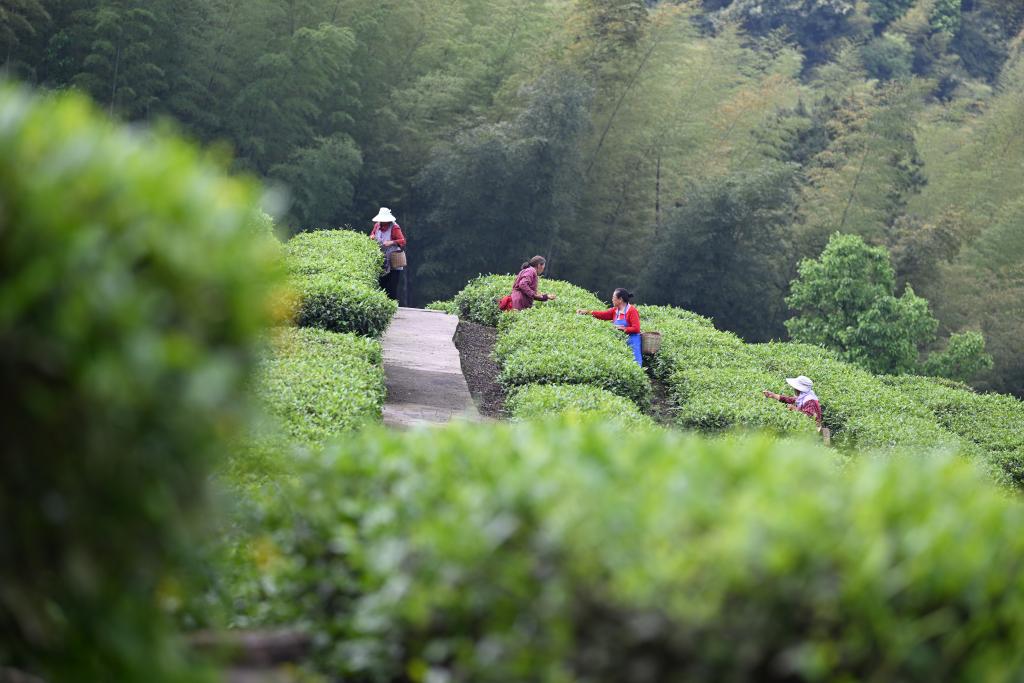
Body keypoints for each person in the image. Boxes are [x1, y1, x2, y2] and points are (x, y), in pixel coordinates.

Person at [577, 288, 642, 365]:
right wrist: (587, 312)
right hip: (621, 343)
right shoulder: (615, 310)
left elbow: (636, 328)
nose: (612, 299)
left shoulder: (632, 310)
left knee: (635, 363)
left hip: (632, 342)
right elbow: (603, 315)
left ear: (620, 299)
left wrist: (623, 329)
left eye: (613, 297)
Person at [369, 207, 406, 301]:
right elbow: (372, 234)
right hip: (382, 260)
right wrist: (372, 236)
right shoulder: (377, 226)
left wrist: (391, 242)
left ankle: (393, 310)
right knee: (381, 286)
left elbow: (402, 241)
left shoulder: (394, 227)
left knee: (391, 288)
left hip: (393, 261)